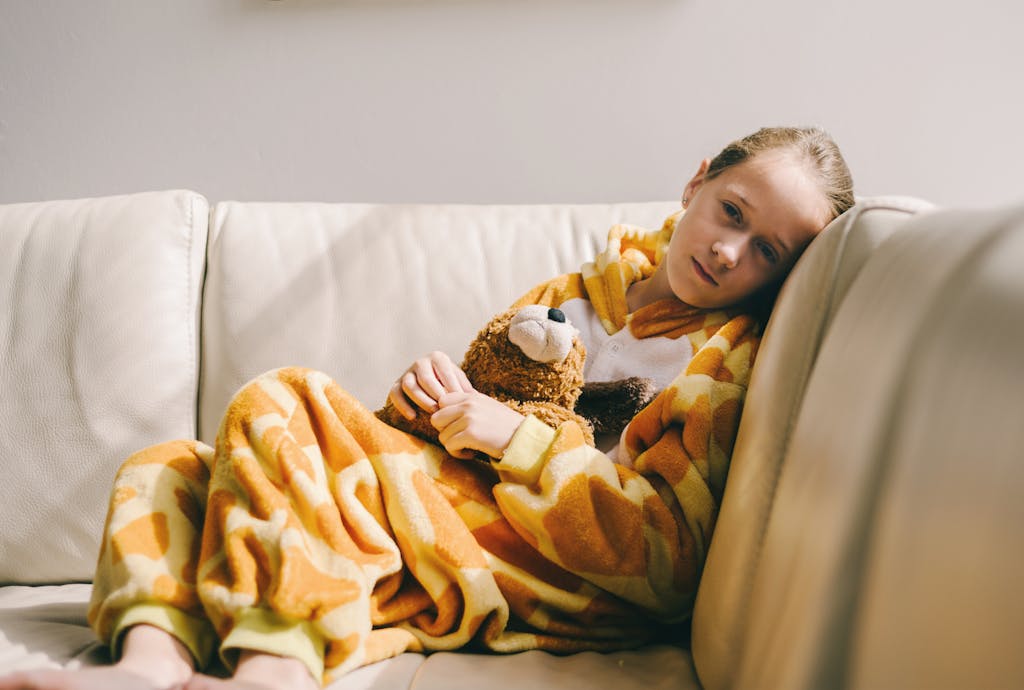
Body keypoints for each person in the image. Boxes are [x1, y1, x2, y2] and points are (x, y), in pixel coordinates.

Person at [0, 126, 854, 690]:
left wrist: (513, 438)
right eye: (731, 211)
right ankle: (149, 666)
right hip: (454, 512)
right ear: (696, 182)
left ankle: (273, 672)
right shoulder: (574, 295)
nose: (727, 249)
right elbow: (480, 408)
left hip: (557, 568)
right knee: (167, 468)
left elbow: (666, 561)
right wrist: (427, 408)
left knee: (282, 397)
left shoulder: (724, 365)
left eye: (765, 250)